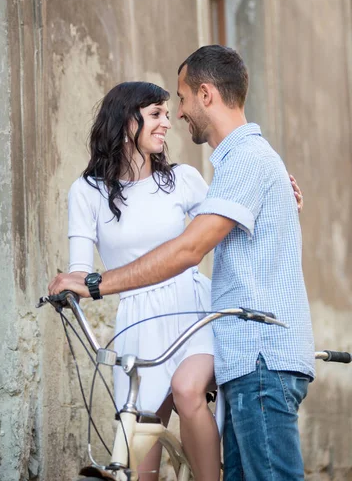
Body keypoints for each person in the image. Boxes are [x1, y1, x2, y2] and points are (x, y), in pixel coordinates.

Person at [49, 45, 314, 481]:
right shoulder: (88, 192)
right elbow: (80, 266)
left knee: (192, 393)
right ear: (126, 121)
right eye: (157, 112)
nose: (173, 118)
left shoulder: (200, 174)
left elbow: (197, 242)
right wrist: (73, 284)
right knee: (140, 441)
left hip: (205, 317)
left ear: (205, 94)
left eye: (177, 104)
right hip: (139, 319)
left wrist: (96, 283)